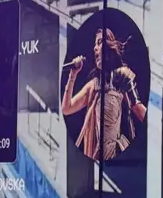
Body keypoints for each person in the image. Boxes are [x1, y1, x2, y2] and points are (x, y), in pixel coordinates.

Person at [61, 28, 147, 161]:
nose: (95, 48)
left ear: (109, 46)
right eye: (95, 44)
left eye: (100, 42)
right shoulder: (94, 85)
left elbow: (138, 110)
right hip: (98, 154)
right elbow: (66, 109)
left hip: (116, 154)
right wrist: (72, 76)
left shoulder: (121, 75)